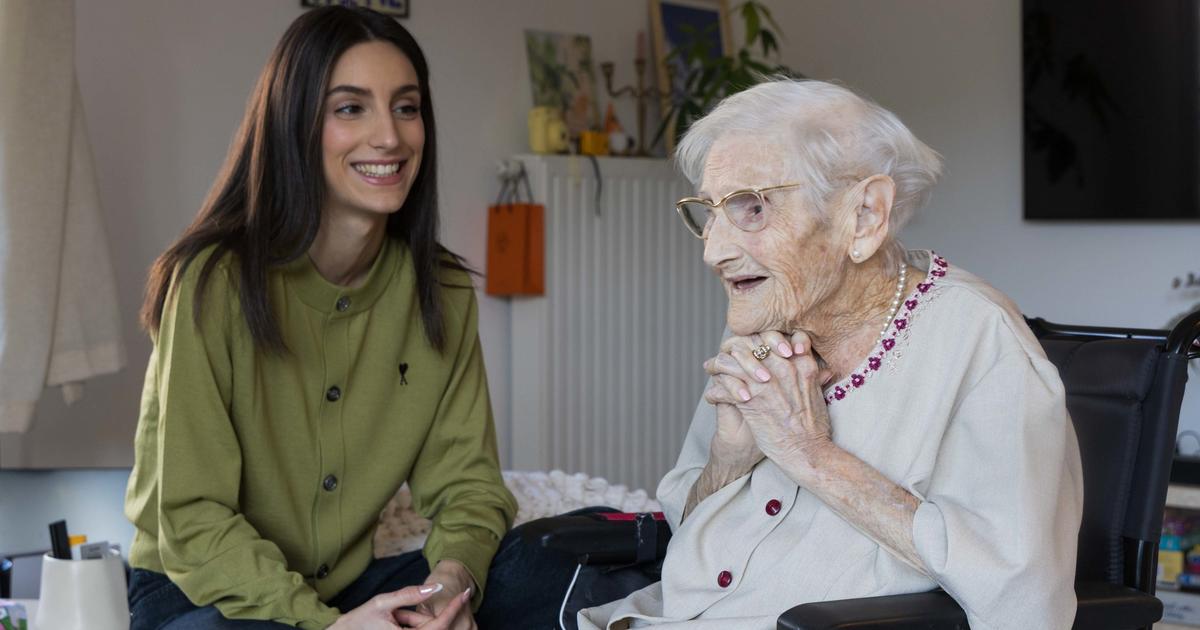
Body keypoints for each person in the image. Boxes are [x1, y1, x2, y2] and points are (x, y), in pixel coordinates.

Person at [124, 7, 574, 629]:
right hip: (203, 593)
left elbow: (469, 486)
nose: (389, 136)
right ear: (295, 126)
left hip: (349, 586)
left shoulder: (439, 290)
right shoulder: (213, 283)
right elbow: (191, 516)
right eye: (350, 108)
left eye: (407, 107)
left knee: (556, 565)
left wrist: (448, 586)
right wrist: (329, 626)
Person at [578, 78, 1084, 629]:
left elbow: (1023, 597)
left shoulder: (977, 340)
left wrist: (809, 453)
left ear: (864, 215)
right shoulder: (768, 326)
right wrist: (728, 460)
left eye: (751, 208)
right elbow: (691, 537)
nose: (714, 251)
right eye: (710, 211)